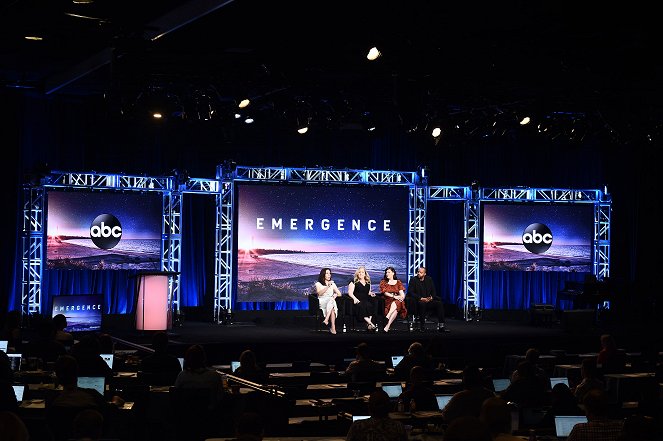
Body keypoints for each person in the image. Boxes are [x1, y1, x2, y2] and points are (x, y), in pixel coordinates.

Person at [407, 266, 449, 332]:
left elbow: (433, 291)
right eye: (418, 272)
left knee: (439, 304)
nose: (418, 273)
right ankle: (422, 326)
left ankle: (441, 325)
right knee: (422, 304)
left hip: (428, 300)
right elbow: (410, 292)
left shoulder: (429, 279)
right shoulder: (413, 280)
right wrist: (421, 298)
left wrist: (431, 297)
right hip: (418, 301)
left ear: (424, 274)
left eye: (420, 272)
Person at [347, 266, 378, 331]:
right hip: (357, 301)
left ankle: (369, 325)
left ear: (365, 274)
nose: (361, 273)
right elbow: (350, 292)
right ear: (357, 273)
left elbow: (367, 291)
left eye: (362, 272)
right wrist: (354, 299)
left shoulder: (368, 282)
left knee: (369, 305)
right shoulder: (354, 282)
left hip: (366, 300)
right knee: (362, 306)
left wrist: (371, 293)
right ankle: (371, 324)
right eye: (359, 272)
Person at [379, 266, 407, 333]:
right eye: (386, 272)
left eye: (389, 272)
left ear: (393, 273)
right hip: (388, 300)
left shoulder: (398, 282)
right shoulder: (383, 282)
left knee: (398, 303)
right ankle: (388, 325)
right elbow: (385, 293)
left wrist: (401, 297)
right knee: (396, 307)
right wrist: (395, 297)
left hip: (397, 301)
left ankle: (388, 323)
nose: (387, 274)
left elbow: (402, 294)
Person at [315, 268, 341, 334]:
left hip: (330, 301)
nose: (329, 275)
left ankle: (327, 321)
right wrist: (327, 286)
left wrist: (336, 295)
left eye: (330, 273)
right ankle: (332, 327)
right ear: (323, 275)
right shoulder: (318, 284)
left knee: (331, 301)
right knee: (331, 302)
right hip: (322, 301)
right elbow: (319, 294)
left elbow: (339, 293)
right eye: (327, 273)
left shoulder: (333, 284)